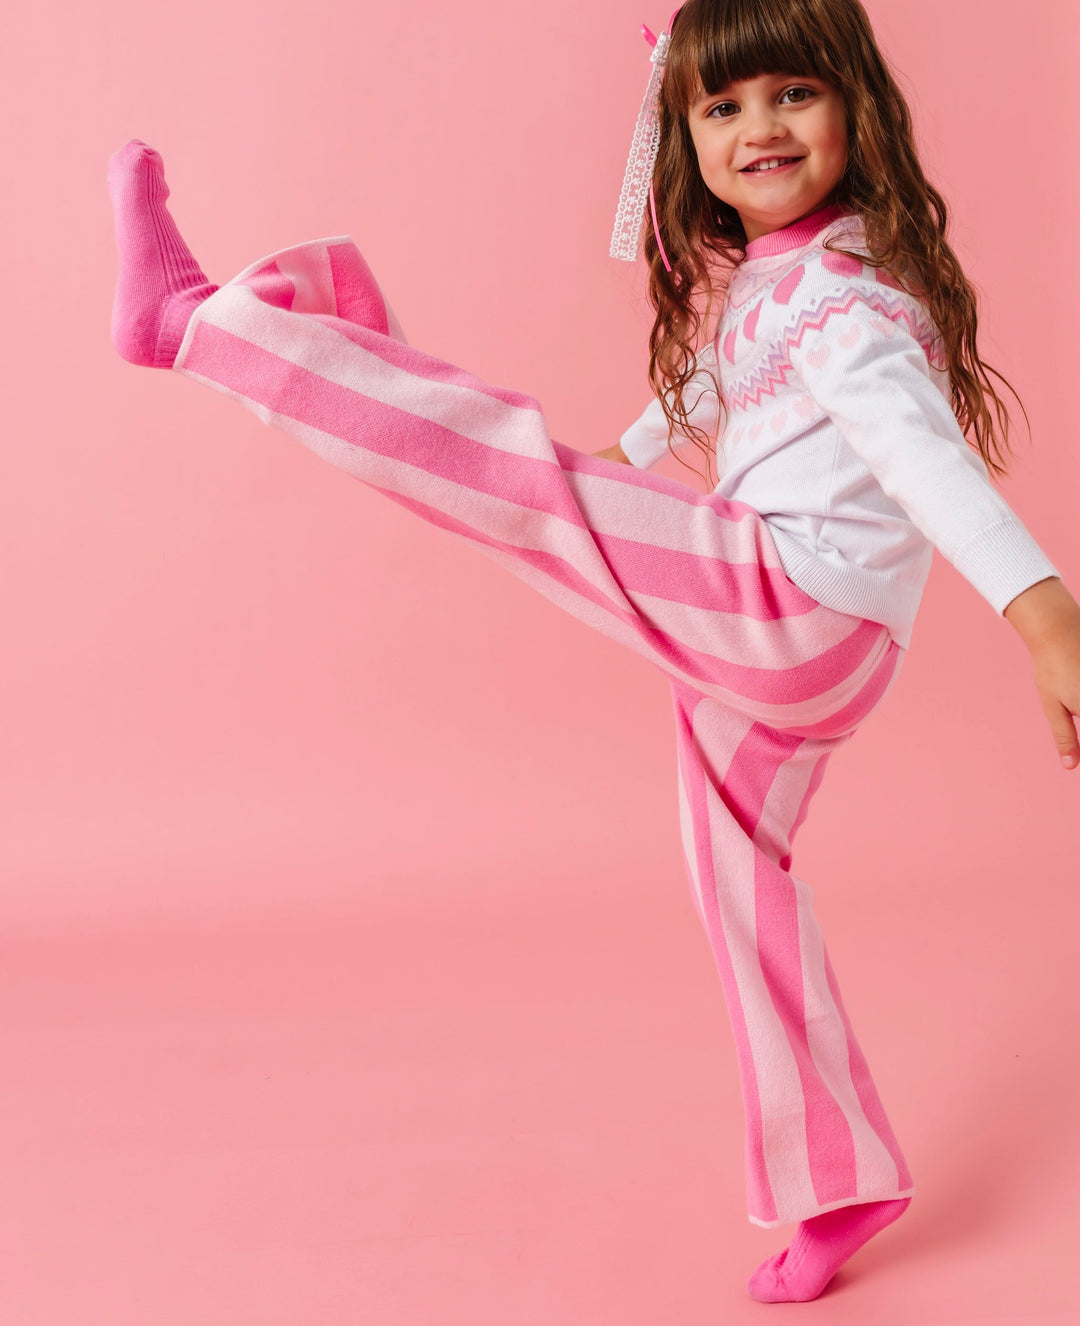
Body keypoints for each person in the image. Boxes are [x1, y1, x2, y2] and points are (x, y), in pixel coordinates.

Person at [105, 0, 1080, 1303]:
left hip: (788, 605)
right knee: (739, 876)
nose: (759, 126)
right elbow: (712, 390)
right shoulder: (790, 285)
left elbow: (926, 462)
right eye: (722, 106)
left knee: (514, 480)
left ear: (859, 107)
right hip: (826, 652)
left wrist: (1046, 619)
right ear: (687, 140)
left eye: (793, 93)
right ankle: (838, 1178)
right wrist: (623, 462)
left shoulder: (844, 309)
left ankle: (203, 326)